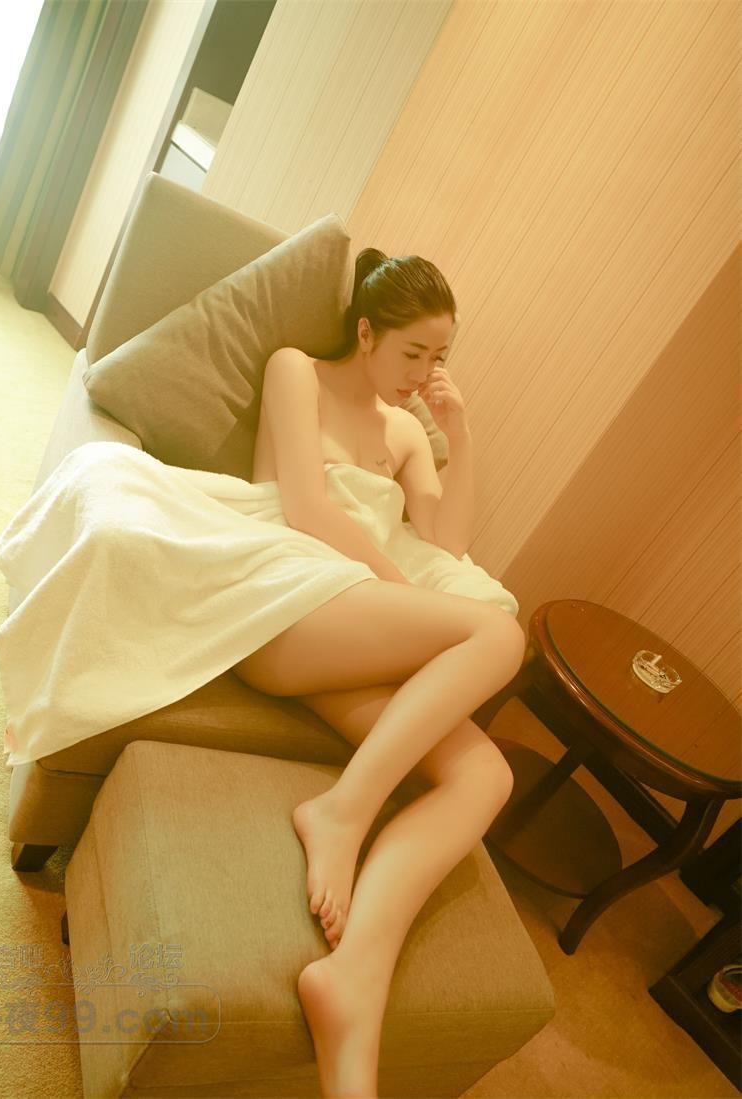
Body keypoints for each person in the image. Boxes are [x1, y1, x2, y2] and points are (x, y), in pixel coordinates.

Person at [232, 249, 526, 1099]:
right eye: (412, 352)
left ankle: (353, 980)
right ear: (366, 332)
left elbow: (446, 539)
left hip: (358, 635)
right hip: (290, 598)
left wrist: (457, 433)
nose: (424, 372)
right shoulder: (298, 371)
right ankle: (341, 812)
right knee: (498, 634)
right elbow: (305, 505)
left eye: (440, 356)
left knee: (486, 776)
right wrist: (411, 611)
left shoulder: (404, 433)